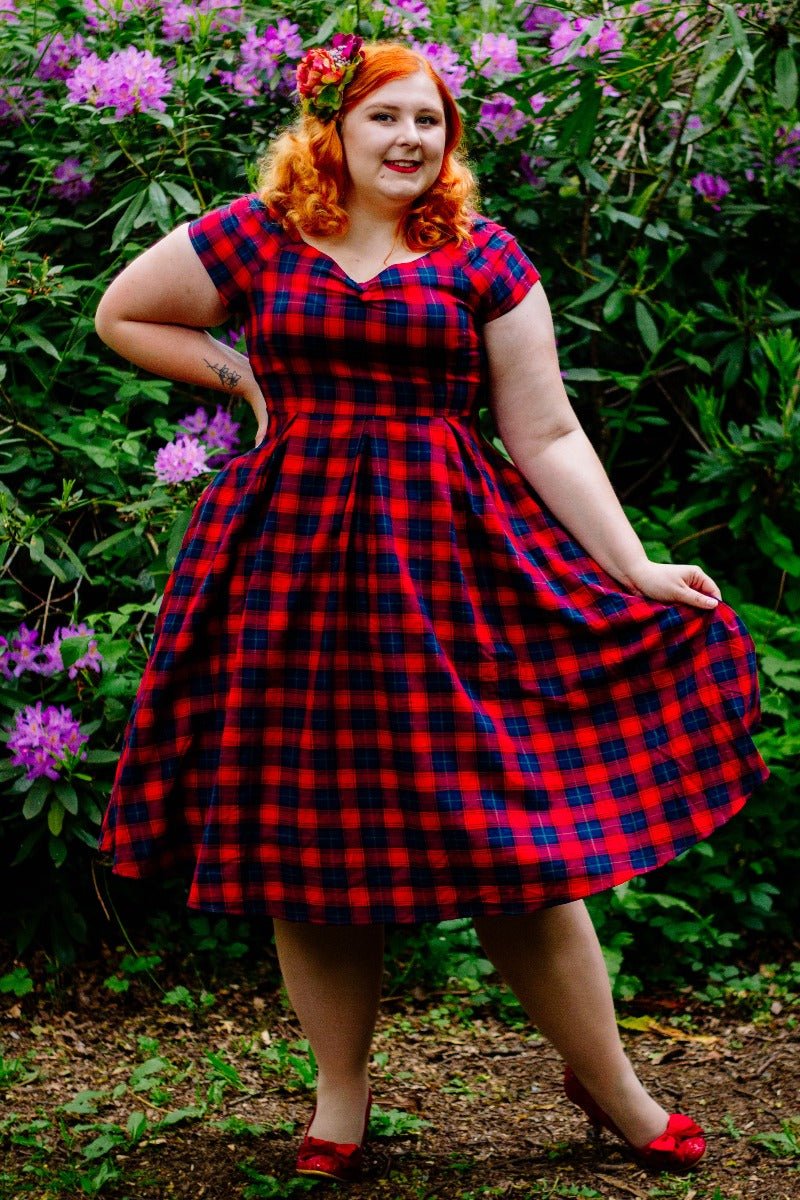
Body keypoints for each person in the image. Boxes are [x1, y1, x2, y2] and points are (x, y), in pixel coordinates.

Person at [95, 36, 769, 1184]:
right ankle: (339, 1102)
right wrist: (245, 379)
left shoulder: (478, 255)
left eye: (430, 122)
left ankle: (610, 1085)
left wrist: (634, 566)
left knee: (514, 840)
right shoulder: (255, 236)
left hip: (448, 577)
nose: (410, 140)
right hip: (289, 576)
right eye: (385, 118)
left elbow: (545, 431)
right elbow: (126, 312)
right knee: (302, 846)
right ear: (335, 131)